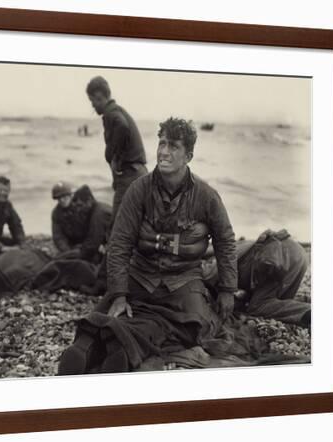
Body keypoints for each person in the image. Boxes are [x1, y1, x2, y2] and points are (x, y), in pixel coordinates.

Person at [58, 117, 237, 375]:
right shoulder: (138, 190)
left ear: (189, 155)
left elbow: (225, 241)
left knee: (193, 328)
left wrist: (228, 289)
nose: (163, 151)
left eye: (173, 146)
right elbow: (119, 243)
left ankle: (117, 347)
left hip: (183, 282)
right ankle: (89, 351)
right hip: (140, 278)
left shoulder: (206, 197)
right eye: (161, 143)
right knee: (110, 314)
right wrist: (119, 294)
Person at [202, 229, 310, 327]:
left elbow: (210, 275)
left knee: (258, 306)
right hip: (297, 254)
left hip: (277, 257)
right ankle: (306, 314)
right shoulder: (238, 251)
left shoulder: (219, 263)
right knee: (281, 305)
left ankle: (308, 312)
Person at [86, 76, 148, 222]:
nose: (93, 106)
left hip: (130, 174)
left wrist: (115, 157)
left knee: (118, 224)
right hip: (138, 172)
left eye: (92, 101)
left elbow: (122, 126)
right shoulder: (117, 110)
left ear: (99, 97)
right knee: (135, 223)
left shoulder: (111, 113)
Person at [51, 181, 112, 264]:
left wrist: (82, 252)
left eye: (64, 197)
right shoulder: (57, 213)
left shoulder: (92, 209)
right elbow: (58, 236)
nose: (61, 200)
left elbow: (95, 233)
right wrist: (68, 252)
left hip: (98, 242)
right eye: (58, 198)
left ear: (71, 195)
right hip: (79, 244)